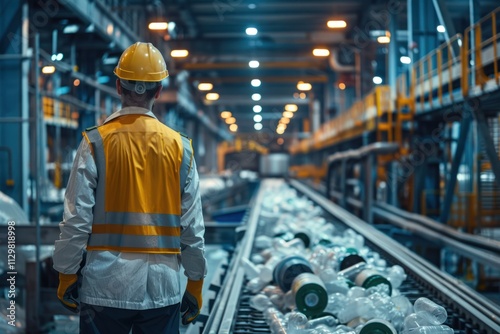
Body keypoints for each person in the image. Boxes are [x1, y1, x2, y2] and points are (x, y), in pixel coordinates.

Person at [52, 42, 207, 333]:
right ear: (159, 91)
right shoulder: (180, 148)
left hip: (105, 287)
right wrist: (195, 281)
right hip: (163, 289)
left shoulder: (95, 143)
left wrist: (66, 272)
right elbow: (193, 226)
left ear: (118, 86)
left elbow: (76, 220)